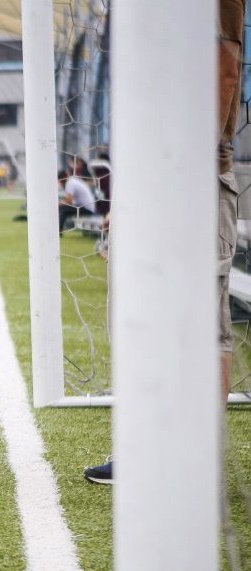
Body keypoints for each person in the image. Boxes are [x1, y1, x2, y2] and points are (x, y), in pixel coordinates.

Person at [85, 0, 245, 485]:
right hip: (147, 182)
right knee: (133, 321)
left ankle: (199, 459)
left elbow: (224, 67)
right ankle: (145, 443)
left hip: (191, 180)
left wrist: (182, 170)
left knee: (200, 327)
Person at [57, 169, 96, 233]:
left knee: (62, 209)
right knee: (62, 209)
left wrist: (58, 204)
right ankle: (59, 230)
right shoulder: (73, 181)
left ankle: (58, 231)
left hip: (86, 209)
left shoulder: (70, 184)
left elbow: (69, 202)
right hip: (85, 207)